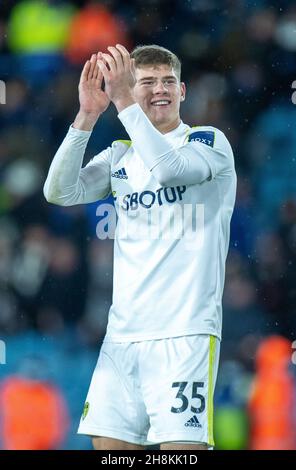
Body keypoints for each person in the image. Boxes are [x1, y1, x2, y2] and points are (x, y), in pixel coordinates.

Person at [44, 44, 237, 450]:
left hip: (184, 333)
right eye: (147, 82)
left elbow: (168, 170)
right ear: (133, 87)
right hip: (122, 337)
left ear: (183, 91)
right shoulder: (120, 155)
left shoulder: (208, 142)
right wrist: (88, 114)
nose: (159, 90)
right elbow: (59, 191)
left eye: (168, 81)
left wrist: (124, 101)